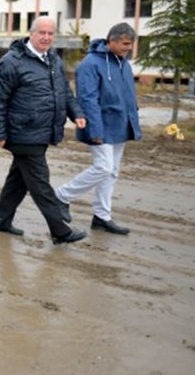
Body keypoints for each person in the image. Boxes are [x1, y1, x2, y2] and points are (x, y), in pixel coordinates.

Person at [0, 16, 88, 244]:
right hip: (22, 132)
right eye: (42, 32)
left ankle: (1, 220)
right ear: (31, 34)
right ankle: (60, 231)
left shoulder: (53, 59)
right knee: (40, 183)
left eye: (51, 34)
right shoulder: (13, 61)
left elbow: (64, 92)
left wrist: (77, 114)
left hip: (42, 131)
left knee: (19, 179)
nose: (46, 37)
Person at [55, 23, 141, 235]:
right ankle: (62, 196)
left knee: (111, 172)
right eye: (125, 44)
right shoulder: (90, 64)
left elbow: (129, 97)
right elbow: (87, 99)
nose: (128, 48)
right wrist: (95, 130)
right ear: (111, 40)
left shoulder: (124, 64)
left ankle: (102, 216)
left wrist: (133, 123)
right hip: (101, 126)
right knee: (103, 167)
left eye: (130, 44)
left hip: (121, 126)